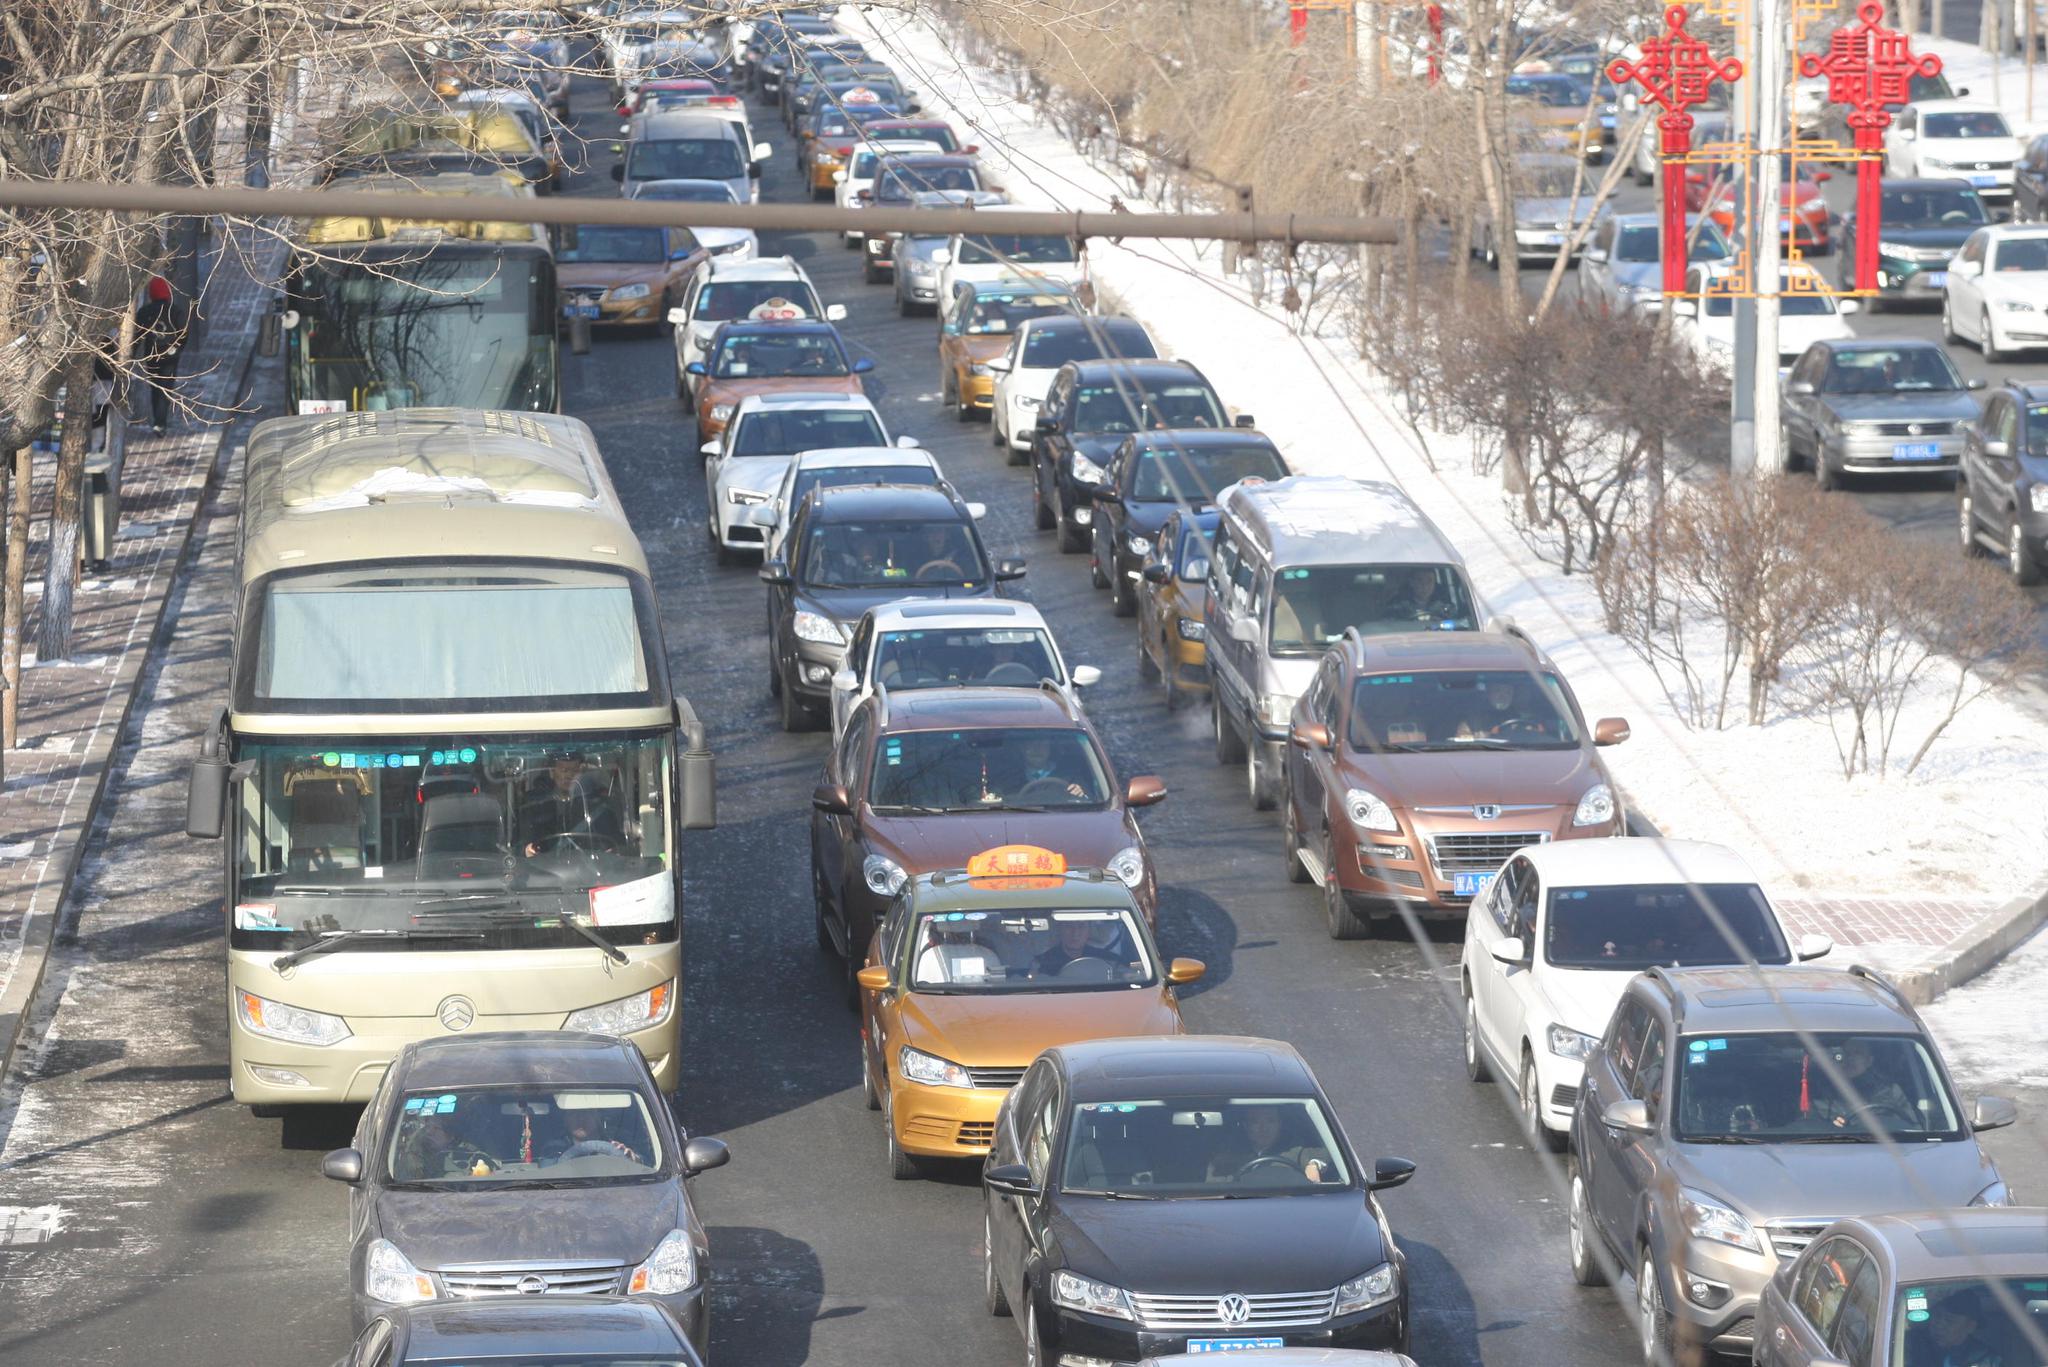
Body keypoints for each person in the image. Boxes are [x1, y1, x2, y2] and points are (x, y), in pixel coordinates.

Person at [518, 752, 620, 856]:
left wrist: (610, 851)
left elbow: (615, 843)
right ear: (552, 772)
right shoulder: (533, 805)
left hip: (589, 868)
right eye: (564, 770)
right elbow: (515, 844)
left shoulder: (597, 807)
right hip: (541, 868)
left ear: (582, 773)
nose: (569, 775)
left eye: (574, 771)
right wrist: (525, 850)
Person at [1206, 1104, 1336, 1184]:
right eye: (1255, 1122)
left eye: (1271, 1121)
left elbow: (1326, 1153)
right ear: (1246, 1126)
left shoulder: (1296, 1151)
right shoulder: (1227, 1155)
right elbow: (1214, 1192)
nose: (1264, 1128)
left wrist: (1313, 1164)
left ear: (1280, 1125)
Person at [1811, 1038, 1915, 1131]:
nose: (1849, 1058)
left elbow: (1911, 1126)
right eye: (1844, 1053)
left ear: (1869, 1061)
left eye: (1857, 1053)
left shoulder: (1891, 1091)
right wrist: (1830, 1128)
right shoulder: (1817, 1094)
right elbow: (1807, 1127)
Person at [1908, 1288, 2005, 1367]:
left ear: (1970, 1326)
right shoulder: (1909, 1344)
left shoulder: (1987, 1360)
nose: (1939, 1325)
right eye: (1937, 1316)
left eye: (1949, 1320)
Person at [134, 276, 184, 430]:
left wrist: (131, 354)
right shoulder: (175, 311)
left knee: (155, 388)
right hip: (170, 356)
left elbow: (138, 335)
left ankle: (158, 419)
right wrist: (178, 348)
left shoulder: (144, 312)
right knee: (166, 388)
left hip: (152, 356)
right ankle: (160, 421)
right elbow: (184, 333)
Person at [1013, 734, 1088, 801]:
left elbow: (1089, 802)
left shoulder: (1071, 776)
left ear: (1050, 748)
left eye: (1043, 744)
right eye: (1031, 744)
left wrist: (1080, 794)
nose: (1037, 749)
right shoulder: (1008, 779)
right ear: (1022, 748)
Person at [1034, 919, 1119, 976]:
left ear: (1089, 931)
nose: (1075, 933)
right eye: (1069, 926)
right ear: (1060, 929)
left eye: (1081, 926)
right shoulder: (1043, 962)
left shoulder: (1108, 959)